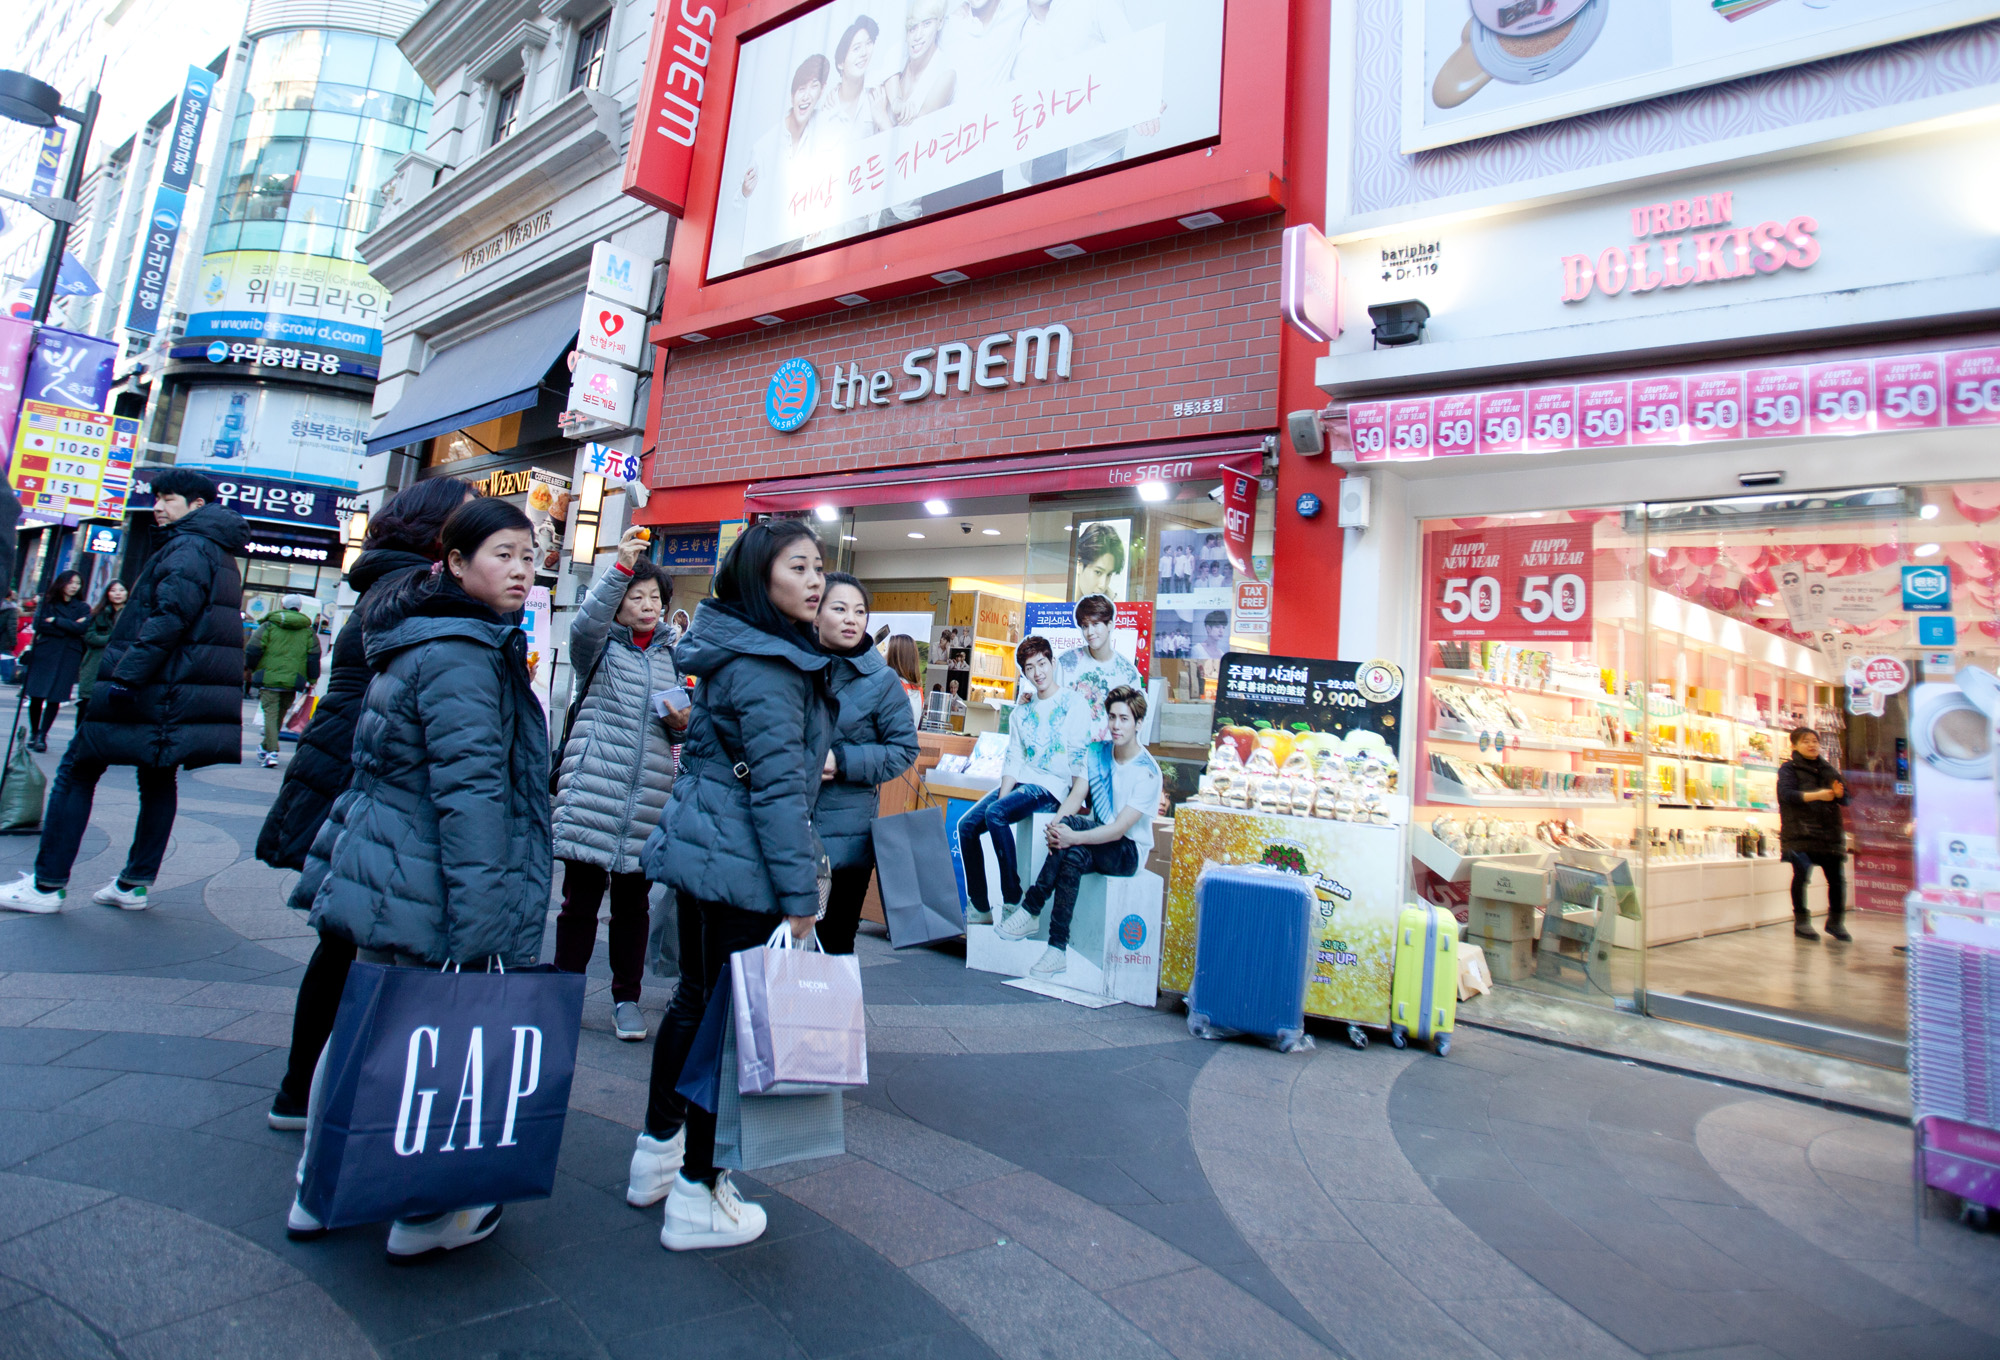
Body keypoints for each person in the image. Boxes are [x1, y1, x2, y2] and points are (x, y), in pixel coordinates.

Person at [287, 497, 549, 1259]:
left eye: (529, 557)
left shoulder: (426, 636)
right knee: (425, 1039)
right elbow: (470, 795)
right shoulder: (463, 655)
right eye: (503, 554)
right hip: (429, 879)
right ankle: (429, 1211)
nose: (521, 570)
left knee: (365, 1031)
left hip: (387, 869)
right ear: (456, 564)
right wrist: (482, 925)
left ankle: (321, 1187)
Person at [628, 520, 835, 1251]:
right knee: (730, 1031)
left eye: (819, 568)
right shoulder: (773, 666)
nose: (816, 582)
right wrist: (800, 899)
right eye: (800, 567)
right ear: (759, 577)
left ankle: (657, 1156)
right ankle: (698, 1190)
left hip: (702, 847)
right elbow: (779, 793)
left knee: (694, 1002)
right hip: (744, 864)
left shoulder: (733, 647)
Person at [257, 477, 474, 1131]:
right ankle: (327, 1098)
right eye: (468, 523)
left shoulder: (392, 584)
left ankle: (303, 1092)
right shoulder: (413, 592)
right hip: (365, 777)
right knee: (357, 937)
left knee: (344, 938)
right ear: (437, 532)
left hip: (347, 766)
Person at [0, 472, 247, 915]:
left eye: (167, 499)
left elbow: (169, 618)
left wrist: (125, 678)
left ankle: (45, 886)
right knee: (157, 776)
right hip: (173, 690)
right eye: (156, 498)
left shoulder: (188, 547)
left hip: (151, 686)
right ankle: (133, 883)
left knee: (77, 769)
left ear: (195, 505)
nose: (157, 506)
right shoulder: (215, 549)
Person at [552, 527, 688, 1041]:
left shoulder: (674, 656)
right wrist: (621, 567)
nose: (648, 605)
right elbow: (586, 622)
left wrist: (683, 722)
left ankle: (625, 1000)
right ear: (620, 601)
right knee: (579, 903)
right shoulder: (598, 648)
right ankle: (563, 992)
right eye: (637, 597)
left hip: (650, 796)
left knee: (633, 908)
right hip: (593, 791)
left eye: (655, 598)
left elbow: (685, 723)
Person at [995, 686, 1159, 978]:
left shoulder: (1147, 771)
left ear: (1139, 723)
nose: (1116, 725)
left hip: (1128, 851)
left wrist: (1070, 834)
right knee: (1073, 855)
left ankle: (1032, 907)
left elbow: (1119, 829)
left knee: (1074, 837)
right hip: (1098, 839)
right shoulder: (1097, 754)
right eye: (1112, 717)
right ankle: (1057, 949)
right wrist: (1057, 828)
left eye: (1124, 719)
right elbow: (1076, 795)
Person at [814, 574, 919, 954]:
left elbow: (904, 749)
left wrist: (842, 761)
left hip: (848, 838)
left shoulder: (883, 681)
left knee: (834, 945)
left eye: (859, 611)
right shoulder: (791, 666)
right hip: (785, 830)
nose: (851, 619)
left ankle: (826, 1016)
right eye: (839, 608)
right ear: (815, 613)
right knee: (775, 945)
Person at [958, 635, 1091, 923]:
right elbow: (1014, 759)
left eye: (1042, 664)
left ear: (1052, 662)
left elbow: (1080, 765)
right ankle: (980, 907)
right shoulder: (1021, 712)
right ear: (1024, 673)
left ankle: (1012, 900)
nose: (1037, 673)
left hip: (1051, 787)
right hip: (1022, 784)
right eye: (1029, 668)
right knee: (967, 825)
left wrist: (1068, 807)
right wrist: (1003, 797)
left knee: (996, 813)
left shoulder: (1074, 704)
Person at [1777, 726, 1850, 942]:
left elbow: (1846, 799)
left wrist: (1840, 794)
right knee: (1801, 877)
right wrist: (1817, 795)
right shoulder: (1788, 769)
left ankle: (1836, 922)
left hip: (1830, 833)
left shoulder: (1828, 769)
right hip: (1801, 831)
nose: (1812, 745)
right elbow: (1787, 795)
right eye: (1806, 741)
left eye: (1814, 741)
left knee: (1837, 880)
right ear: (1795, 745)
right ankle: (1802, 921)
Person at [246, 592, 321, 768]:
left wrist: (254, 668)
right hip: (294, 680)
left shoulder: (268, 626)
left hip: (269, 677)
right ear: (299, 608)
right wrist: (312, 678)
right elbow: (313, 656)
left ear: (282, 606)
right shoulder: (307, 631)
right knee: (278, 715)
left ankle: (272, 751)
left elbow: (253, 648)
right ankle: (265, 747)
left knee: (271, 715)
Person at [1056, 593, 1142, 734]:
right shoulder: (1066, 663)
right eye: (1085, 626)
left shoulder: (1127, 673)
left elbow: (1133, 725)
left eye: (1096, 624)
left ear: (1110, 625)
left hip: (1110, 751)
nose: (1090, 632)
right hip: (1069, 749)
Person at [22, 571, 89, 751]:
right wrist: (69, 626)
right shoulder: (48, 603)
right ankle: (35, 732)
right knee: (36, 694)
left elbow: (82, 628)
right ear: (62, 583)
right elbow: (39, 625)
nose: (75, 587)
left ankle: (43, 735)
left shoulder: (82, 607)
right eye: (71, 583)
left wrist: (56, 621)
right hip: (45, 651)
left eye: (78, 583)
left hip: (68, 654)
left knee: (55, 697)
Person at [74, 580, 128, 722]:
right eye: (113, 590)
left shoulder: (133, 615)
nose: (117, 594)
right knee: (87, 703)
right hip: (95, 663)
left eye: (121, 590)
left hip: (120, 664)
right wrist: (113, 639)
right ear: (107, 594)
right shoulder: (98, 614)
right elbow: (90, 637)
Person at [1073, 523, 1125, 600]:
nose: (1102, 585)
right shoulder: (1060, 601)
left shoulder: (1116, 608)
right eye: (1098, 572)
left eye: (1109, 575)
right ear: (1079, 565)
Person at [885, 632, 923, 724]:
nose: (883, 653)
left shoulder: (894, 686)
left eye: (886, 650)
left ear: (893, 656)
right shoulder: (917, 690)